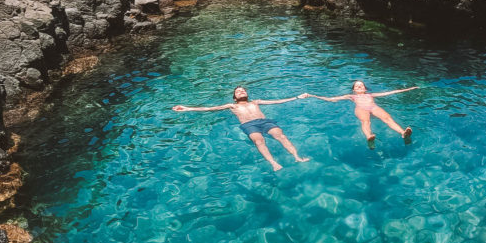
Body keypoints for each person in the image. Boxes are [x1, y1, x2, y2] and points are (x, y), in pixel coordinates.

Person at [172, 86, 310, 171]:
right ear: (234, 97)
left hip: (264, 121)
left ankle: (297, 157)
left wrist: (297, 97)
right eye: (238, 91)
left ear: (247, 94)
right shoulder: (232, 106)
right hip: (249, 125)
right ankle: (274, 163)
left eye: (243, 90)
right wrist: (187, 108)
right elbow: (209, 108)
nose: (241, 91)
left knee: (281, 136)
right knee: (259, 141)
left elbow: (278, 101)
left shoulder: (256, 102)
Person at [305, 81, 418, 146]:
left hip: (373, 107)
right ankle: (369, 136)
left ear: (365, 89)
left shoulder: (370, 95)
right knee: (365, 121)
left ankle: (403, 133)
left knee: (388, 118)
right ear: (353, 89)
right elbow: (331, 99)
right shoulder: (351, 96)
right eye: (357, 85)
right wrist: (312, 95)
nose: (359, 86)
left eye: (361, 85)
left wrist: (409, 89)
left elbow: (389, 92)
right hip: (361, 108)